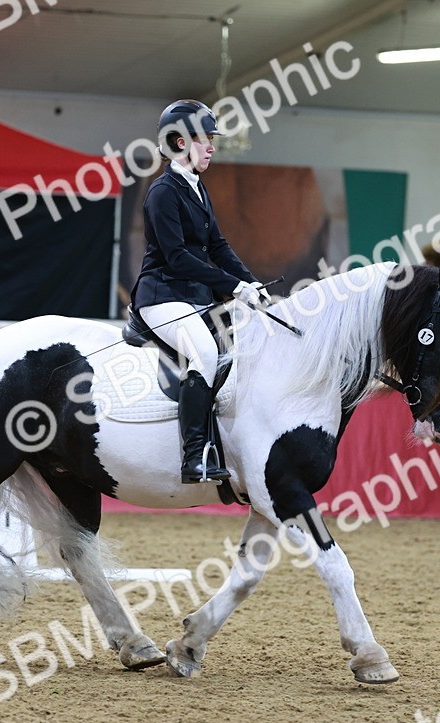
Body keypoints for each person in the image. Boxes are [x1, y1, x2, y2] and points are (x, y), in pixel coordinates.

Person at [130, 99, 267, 484]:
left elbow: (218, 246)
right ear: (178, 142)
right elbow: (176, 258)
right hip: (162, 294)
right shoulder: (163, 192)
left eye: (211, 139)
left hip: (193, 297)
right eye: (203, 139)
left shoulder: (196, 187)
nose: (211, 146)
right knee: (205, 353)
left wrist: (250, 281)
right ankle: (194, 457)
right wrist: (234, 287)